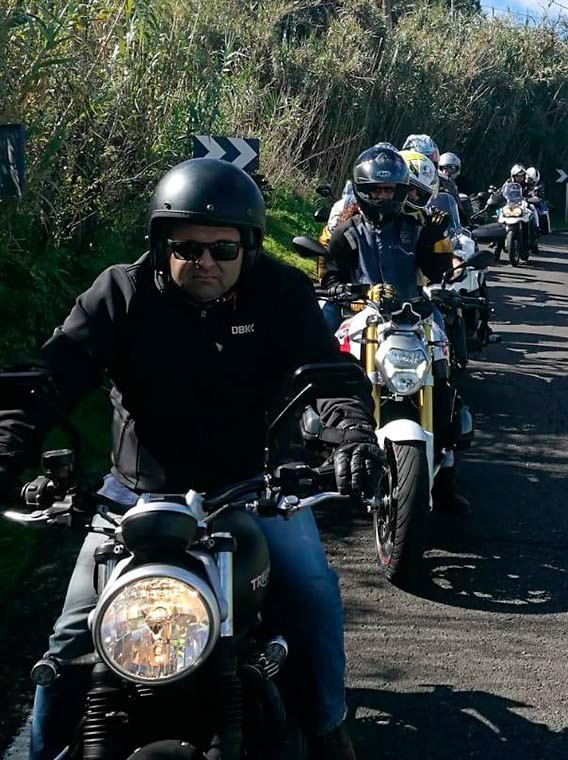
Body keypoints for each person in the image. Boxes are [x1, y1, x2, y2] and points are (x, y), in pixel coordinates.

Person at [0, 158, 376, 760]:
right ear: (160, 244)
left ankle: (329, 725)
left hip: (254, 491)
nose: (206, 263)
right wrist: (6, 448)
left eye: (224, 248)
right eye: (187, 248)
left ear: (249, 246)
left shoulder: (281, 292)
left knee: (311, 595)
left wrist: (353, 438)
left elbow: (328, 377)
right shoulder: (119, 292)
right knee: (71, 641)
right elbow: (52, 377)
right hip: (132, 497)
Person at [322, 146, 471, 513]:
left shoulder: (416, 228)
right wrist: (346, 290)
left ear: (402, 190)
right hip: (361, 316)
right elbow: (329, 275)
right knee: (332, 377)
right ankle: (328, 453)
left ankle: (446, 479)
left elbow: (436, 271)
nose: (383, 196)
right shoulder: (346, 232)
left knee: (443, 380)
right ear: (362, 189)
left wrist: (439, 243)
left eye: (390, 190)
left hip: (412, 315)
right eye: (376, 189)